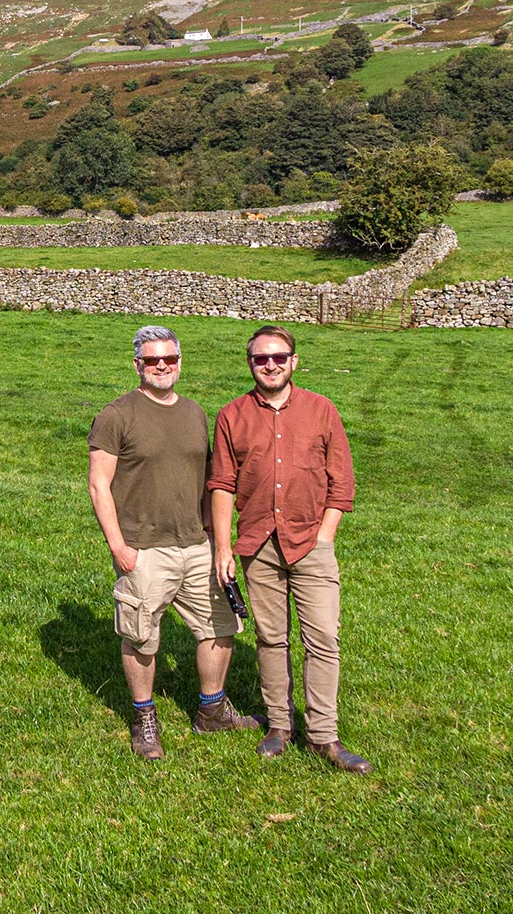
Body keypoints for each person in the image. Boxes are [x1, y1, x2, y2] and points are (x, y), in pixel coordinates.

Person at [208, 324, 371, 773]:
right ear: (250, 364)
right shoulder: (231, 416)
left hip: (311, 541)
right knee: (270, 637)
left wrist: (325, 536)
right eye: (262, 359)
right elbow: (221, 484)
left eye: (279, 357)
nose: (271, 365)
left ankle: (324, 735)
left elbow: (343, 483)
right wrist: (224, 547)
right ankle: (280, 726)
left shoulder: (322, 410)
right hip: (257, 543)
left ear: (294, 361)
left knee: (323, 638)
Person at [88, 324, 255, 760]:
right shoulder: (116, 415)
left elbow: (210, 481)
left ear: (181, 361)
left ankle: (211, 710)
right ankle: (144, 716)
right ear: (137, 364)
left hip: (196, 543)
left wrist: (216, 540)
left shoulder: (196, 413)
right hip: (143, 548)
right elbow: (98, 486)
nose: (161, 366)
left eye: (170, 359)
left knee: (220, 626)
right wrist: (119, 547)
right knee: (141, 636)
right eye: (151, 360)